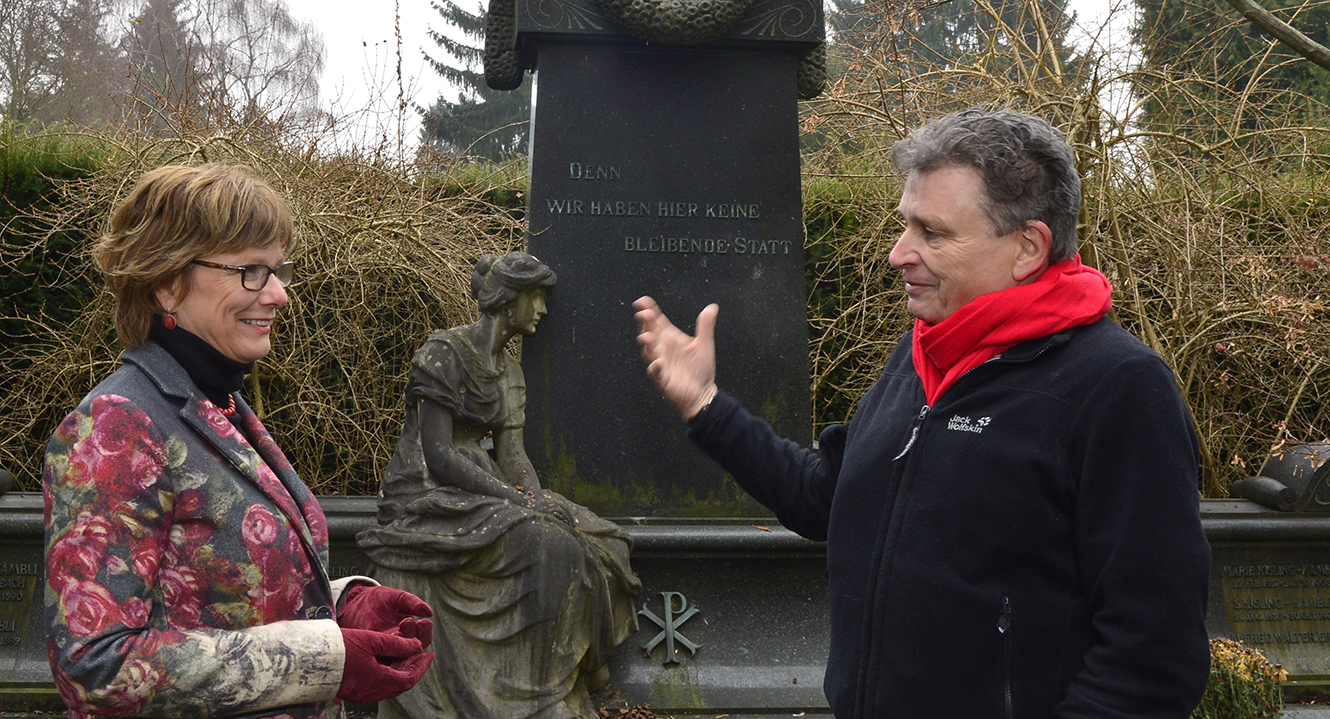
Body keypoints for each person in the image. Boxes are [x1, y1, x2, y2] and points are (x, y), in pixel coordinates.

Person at [634, 109, 1212, 718]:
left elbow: (1152, 657)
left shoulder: (1118, 387)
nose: (898, 254)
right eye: (905, 225)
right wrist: (704, 403)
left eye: (932, 234)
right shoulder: (920, 358)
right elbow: (824, 498)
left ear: (1028, 247)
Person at [43, 164, 435, 719]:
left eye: (278, 270)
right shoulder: (116, 425)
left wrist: (344, 605)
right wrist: (324, 656)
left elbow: (213, 594)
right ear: (166, 282)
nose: (277, 294)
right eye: (250, 270)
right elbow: (95, 668)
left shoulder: (218, 401)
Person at [357, 252, 641, 719]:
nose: (544, 311)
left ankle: (563, 676)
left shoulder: (509, 370)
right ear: (509, 300)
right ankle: (531, 692)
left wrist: (536, 496)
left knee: (600, 538)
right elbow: (438, 454)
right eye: (537, 299)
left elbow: (512, 455)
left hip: (482, 483)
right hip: (427, 489)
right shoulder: (444, 351)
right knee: (548, 542)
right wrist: (516, 501)